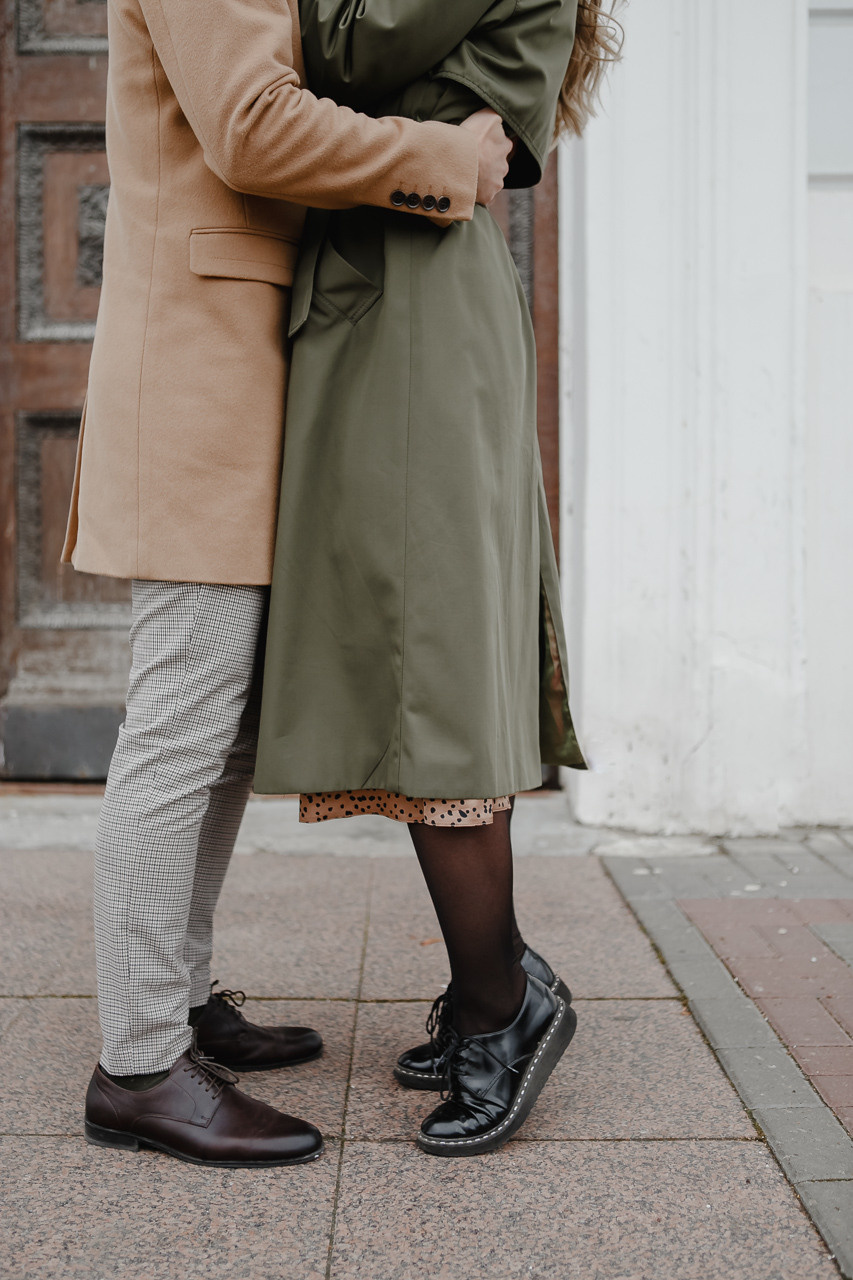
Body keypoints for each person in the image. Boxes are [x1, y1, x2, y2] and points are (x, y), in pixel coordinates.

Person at [61, 0, 513, 1170]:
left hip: (254, 363)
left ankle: (179, 996)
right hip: (201, 361)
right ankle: (141, 1064)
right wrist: (442, 159)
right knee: (180, 721)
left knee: (222, 732)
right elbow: (252, 127)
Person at [254, 0, 621, 1156]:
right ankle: (484, 990)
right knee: (415, 646)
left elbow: (354, 47)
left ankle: (506, 1004)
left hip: (415, 305)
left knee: (432, 657)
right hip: (396, 292)